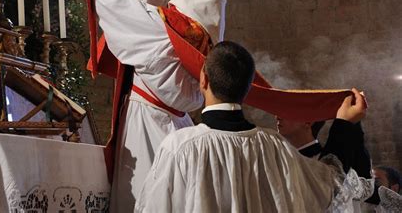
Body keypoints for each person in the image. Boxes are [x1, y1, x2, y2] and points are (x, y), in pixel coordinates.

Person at [90, 0, 235, 212]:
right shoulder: (198, 25)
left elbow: (110, 1)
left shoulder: (169, 29)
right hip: (174, 126)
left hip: (150, 134)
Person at [135, 41, 370, 213]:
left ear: (203, 80)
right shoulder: (274, 145)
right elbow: (327, 185)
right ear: (248, 90)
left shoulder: (180, 146)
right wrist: (344, 126)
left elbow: (152, 207)